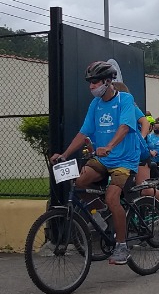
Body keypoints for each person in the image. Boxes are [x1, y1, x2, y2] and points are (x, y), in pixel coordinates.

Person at [51, 61, 143, 265]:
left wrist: (109, 146)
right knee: (80, 181)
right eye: (90, 83)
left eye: (95, 82)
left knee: (112, 197)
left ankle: (122, 246)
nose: (91, 86)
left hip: (124, 159)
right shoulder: (95, 104)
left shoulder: (125, 99)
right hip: (103, 158)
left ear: (108, 81)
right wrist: (64, 155)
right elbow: (84, 132)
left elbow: (125, 127)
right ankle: (101, 213)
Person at [112, 82, 159, 222]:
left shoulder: (130, 106)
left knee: (143, 188)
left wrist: (141, 138)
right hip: (121, 154)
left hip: (139, 154)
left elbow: (145, 122)